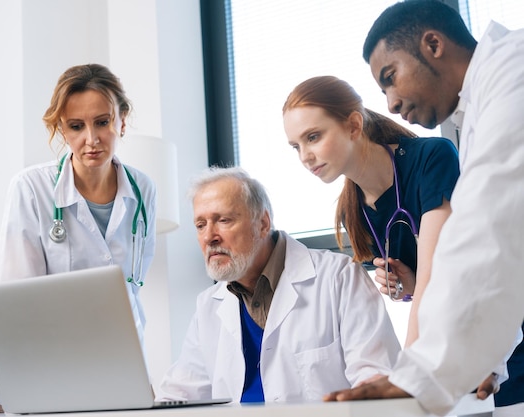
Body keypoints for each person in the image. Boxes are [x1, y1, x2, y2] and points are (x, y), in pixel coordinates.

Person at [323, 2, 524, 416]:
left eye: (391, 78)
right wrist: (474, 359)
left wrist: (426, 373)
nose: (392, 104)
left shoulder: (513, 75)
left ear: (433, 44)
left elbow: (488, 234)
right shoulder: (481, 104)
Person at [0, 64, 157, 415]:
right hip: (52, 369)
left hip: (124, 368)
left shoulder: (144, 191)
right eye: (76, 126)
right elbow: (13, 299)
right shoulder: (31, 189)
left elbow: (132, 291)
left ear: (122, 120)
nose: (91, 139)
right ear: (61, 130)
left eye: (103, 122)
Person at [155, 166, 401, 403]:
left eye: (224, 220)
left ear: (262, 223)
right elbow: (180, 394)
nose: (209, 236)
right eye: (200, 225)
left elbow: (376, 380)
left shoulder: (339, 277)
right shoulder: (208, 305)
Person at [282, 75, 459, 347]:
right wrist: (406, 287)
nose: (305, 156)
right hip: (454, 335)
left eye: (313, 137)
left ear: (353, 126)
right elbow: (421, 289)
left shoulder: (432, 158)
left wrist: (409, 369)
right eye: (296, 147)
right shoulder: (352, 212)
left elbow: (435, 276)